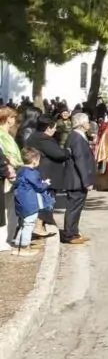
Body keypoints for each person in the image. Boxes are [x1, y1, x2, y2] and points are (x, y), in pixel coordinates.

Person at [25, 118, 68, 236]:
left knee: (43, 201)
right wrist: (67, 152)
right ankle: (38, 227)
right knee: (46, 201)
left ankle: (42, 225)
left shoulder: (34, 136)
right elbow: (59, 154)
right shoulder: (44, 139)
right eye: (54, 127)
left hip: (40, 173)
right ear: (48, 127)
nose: (55, 130)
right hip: (47, 174)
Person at [58, 112, 95, 245]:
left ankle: (74, 232)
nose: (88, 124)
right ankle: (70, 235)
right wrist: (87, 181)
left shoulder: (77, 136)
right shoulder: (76, 137)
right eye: (87, 121)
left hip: (77, 179)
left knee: (77, 208)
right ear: (81, 124)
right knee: (73, 208)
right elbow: (80, 161)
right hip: (76, 179)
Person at [13, 148, 53, 253]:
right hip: (30, 202)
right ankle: (24, 247)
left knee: (24, 224)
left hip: (20, 201)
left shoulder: (20, 170)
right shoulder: (32, 173)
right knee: (29, 224)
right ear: (34, 160)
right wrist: (45, 183)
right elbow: (39, 187)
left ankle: (18, 244)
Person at [1, 107, 23, 247]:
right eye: (13, 117)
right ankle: (3, 240)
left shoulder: (7, 135)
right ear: (8, 119)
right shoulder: (2, 136)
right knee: (5, 210)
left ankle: (8, 238)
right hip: (7, 175)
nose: (15, 120)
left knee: (11, 209)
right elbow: (6, 155)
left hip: (12, 174)